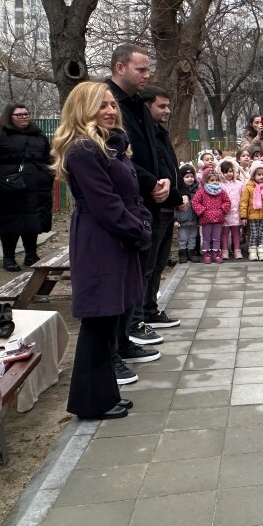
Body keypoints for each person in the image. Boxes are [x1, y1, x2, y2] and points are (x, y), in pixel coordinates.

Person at [51, 81, 151, 419]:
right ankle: (90, 402)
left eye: (112, 104)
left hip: (115, 236)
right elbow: (106, 204)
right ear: (83, 110)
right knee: (99, 321)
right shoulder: (83, 149)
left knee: (110, 319)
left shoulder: (108, 146)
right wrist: (138, 229)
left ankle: (104, 395)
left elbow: (128, 195)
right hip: (100, 239)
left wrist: (141, 222)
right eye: (101, 105)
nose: (110, 110)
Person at [106, 44, 167, 371]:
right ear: (120, 67)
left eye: (148, 70)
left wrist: (163, 181)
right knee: (123, 277)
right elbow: (116, 156)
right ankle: (113, 348)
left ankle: (124, 339)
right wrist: (150, 182)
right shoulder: (109, 102)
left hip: (146, 199)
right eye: (141, 70)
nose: (147, 75)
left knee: (136, 274)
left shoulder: (137, 104)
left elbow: (148, 151)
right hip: (126, 201)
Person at [135, 86, 183, 329]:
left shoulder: (160, 133)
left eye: (168, 105)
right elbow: (158, 173)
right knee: (148, 266)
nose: (167, 110)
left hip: (168, 209)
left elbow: (172, 169)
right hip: (154, 209)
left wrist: (180, 196)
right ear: (146, 106)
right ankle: (140, 315)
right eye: (161, 106)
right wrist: (176, 197)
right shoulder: (145, 137)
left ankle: (150, 309)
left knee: (159, 264)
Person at [0, 103, 53, 271]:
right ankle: (8, 258)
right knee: (10, 222)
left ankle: (31, 255)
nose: (24, 117)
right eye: (19, 115)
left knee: (33, 221)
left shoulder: (39, 136)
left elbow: (48, 157)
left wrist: (48, 173)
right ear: (10, 117)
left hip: (36, 185)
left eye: (26, 114)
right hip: (9, 186)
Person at [192, 169, 230, 263]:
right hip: (206, 218)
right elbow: (195, 202)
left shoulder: (221, 191)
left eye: (216, 180)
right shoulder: (201, 192)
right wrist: (203, 211)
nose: (215, 182)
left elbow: (227, 202)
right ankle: (207, 254)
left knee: (217, 237)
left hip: (218, 218)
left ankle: (217, 254)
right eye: (212, 180)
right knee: (206, 238)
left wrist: (221, 210)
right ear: (206, 181)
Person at [241, 161, 263, 261]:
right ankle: (252, 251)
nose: (261, 177)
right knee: (254, 234)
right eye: (259, 175)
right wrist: (243, 216)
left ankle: (261, 251)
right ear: (253, 175)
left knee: (262, 233)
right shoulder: (249, 187)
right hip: (253, 215)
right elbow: (244, 202)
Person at [219, 160, 244, 259]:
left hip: (236, 212)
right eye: (225, 172)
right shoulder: (220, 185)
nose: (228, 174)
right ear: (221, 173)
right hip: (225, 213)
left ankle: (237, 250)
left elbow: (243, 197)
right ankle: (224, 250)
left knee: (236, 232)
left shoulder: (239, 184)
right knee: (224, 232)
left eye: (230, 171)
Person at [174, 164, 199, 263]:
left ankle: (191, 252)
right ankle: (182, 254)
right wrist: (175, 219)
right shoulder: (178, 191)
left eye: (192, 176)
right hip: (182, 220)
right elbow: (175, 207)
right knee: (183, 238)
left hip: (194, 219)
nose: (190, 179)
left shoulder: (197, 190)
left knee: (192, 237)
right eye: (187, 177)